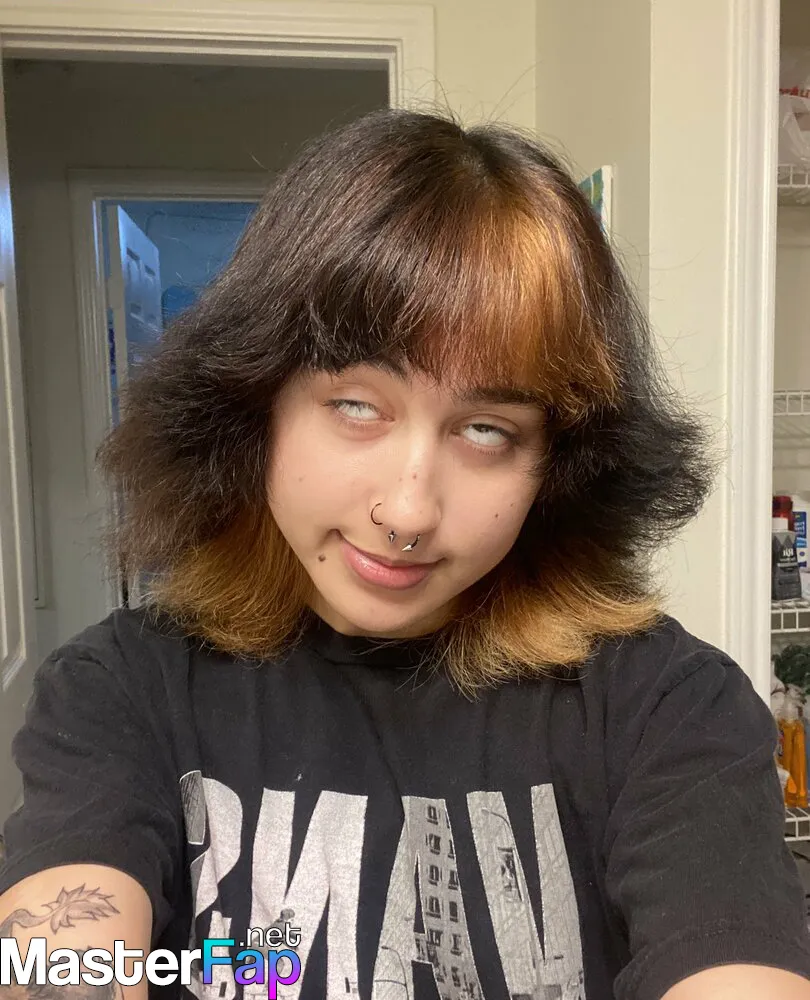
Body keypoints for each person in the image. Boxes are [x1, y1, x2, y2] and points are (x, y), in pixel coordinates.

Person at [0, 108, 808, 1000]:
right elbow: (59, 955)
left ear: (558, 467)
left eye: (488, 429)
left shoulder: (663, 708)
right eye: (356, 406)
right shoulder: (122, 692)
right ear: (257, 409)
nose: (408, 511)